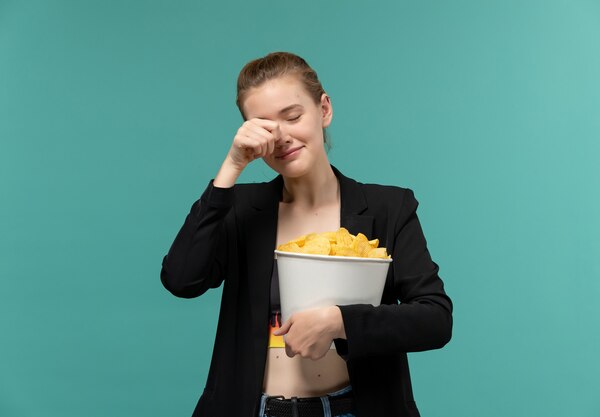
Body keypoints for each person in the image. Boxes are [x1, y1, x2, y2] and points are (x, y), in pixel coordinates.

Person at [160, 51, 453, 417]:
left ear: (324, 109)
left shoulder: (388, 208)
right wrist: (231, 167)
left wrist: (340, 322)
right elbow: (182, 279)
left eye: (293, 116)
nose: (282, 136)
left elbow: (435, 319)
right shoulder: (240, 210)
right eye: (264, 126)